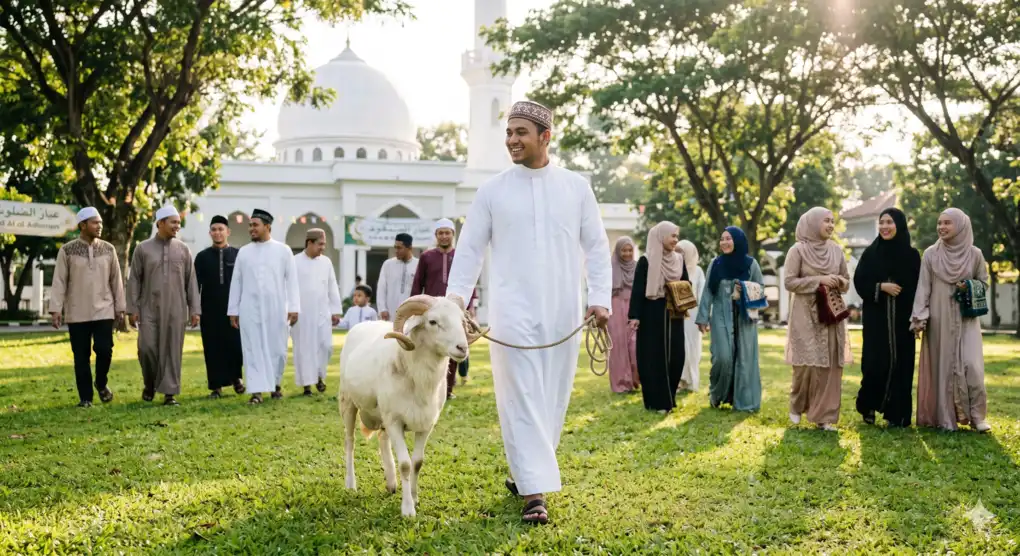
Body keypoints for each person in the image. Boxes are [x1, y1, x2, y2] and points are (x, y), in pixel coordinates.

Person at [446, 99, 612, 525]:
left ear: (545, 137)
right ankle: (535, 494)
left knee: (553, 396)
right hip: (511, 309)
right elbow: (468, 252)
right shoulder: (492, 190)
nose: (512, 140)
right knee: (520, 393)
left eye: (521, 133)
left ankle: (526, 472)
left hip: (562, 309)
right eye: (508, 133)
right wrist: (455, 303)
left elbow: (595, 247)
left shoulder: (576, 186)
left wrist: (600, 298)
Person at [910, 208, 990, 432]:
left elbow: (983, 283)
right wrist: (919, 317)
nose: (941, 227)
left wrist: (969, 286)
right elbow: (923, 288)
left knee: (972, 366)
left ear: (961, 226)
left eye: (947, 223)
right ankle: (945, 417)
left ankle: (977, 416)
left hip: (966, 319)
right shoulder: (930, 254)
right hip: (939, 319)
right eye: (939, 223)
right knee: (943, 367)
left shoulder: (975, 254)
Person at [48, 207, 126, 408]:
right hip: (77, 311)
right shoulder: (67, 250)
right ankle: (86, 398)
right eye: (94, 223)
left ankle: (101, 383)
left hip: (104, 309)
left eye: (100, 222)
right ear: (83, 225)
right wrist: (56, 309)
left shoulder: (108, 249)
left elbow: (116, 280)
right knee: (81, 356)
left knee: (105, 350)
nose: (99, 226)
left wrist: (120, 307)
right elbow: (59, 281)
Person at [126, 205, 201, 406]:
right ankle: (150, 384)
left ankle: (169, 393)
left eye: (178, 222)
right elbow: (134, 280)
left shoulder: (184, 250)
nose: (178, 226)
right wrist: (132, 308)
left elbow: (191, 281)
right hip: (148, 307)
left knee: (172, 350)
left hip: (176, 309)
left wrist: (195, 309)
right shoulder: (142, 248)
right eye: (173, 222)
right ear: (160, 223)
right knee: (146, 348)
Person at [784, 207, 850, 431]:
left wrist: (838, 282)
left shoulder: (837, 251)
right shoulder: (798, 251)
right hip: (805, 314)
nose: (831, 225)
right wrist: (819, 279)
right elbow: (789, 282)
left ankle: (825, 416)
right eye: (826, 221)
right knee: (807, 364)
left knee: (829, 366)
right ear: (812, 223)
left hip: (830, 315)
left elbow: (846, 281)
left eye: (833, 221)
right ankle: (797, 404)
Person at [853, 208, 921, 427]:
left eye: (889, 222)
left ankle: (897, 414)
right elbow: (860, 282)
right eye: (881, 222)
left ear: (899, 225)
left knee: (902, 365)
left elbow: (919, 287)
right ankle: (869, 407)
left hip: (903, 321)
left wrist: (918, 317)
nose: (884, 227)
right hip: (876, 321)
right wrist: (881, 287)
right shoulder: (870, 254)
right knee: (874, 363)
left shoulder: (911, 256)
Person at [227, 209, 300, 404]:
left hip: (277, 308)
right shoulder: (244, 252)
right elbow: (237, 282)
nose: (251, 229)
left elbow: (292, 281)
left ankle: (275, 384)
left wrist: (294, 307)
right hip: (250, 308)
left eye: (255, 225)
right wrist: (233, 310)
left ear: (267, 226)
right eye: (250, 225)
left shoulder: (283, 250)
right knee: (253, 348)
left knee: (278, 349)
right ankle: (257, 391)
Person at [695, 226, 764, 412]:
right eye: (722, 239)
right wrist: (702, 318)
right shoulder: (715, 264)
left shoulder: (751, 265)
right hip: (720, 316)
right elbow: (708, 291)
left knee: (744, 360)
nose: (724, 242)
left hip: (744, 319)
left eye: (729, 239)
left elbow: (761, 288)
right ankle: (717, 394)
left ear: (738, 241)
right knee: (722, 358)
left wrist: (746, 288)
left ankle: (742, 401)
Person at [410, 218, 477, 400]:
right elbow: (418, 284)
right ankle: (427, 388)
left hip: (455, 310)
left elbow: (468, 282)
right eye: (441, 233)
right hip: (433, 313)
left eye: (448, 233)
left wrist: (470, 307)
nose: (444, 236)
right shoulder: (426, 257)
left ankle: (447, 390)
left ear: (453, 235)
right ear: (436, 236)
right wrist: (414, 309)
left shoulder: (460, 257)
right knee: (430, 350)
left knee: (455, 346)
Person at [628, 221, 689, 413]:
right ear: (661, 236)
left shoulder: (679, 260)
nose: (675, 240)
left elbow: (686, 283)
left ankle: (669, 396)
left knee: (676, 355)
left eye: (676, 236)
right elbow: (637, 291)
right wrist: (634, 316)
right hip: (652, 313)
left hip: (674, 312)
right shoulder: (647, 260)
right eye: (672, 235)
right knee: (653, 357)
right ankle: (658, 400)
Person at [194, 215, 245, 399]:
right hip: (210, 310)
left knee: (235, 346)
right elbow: (195, 286)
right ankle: (215, 386)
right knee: (212, 347)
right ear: (210, 233)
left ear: (228, 232)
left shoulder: (238, 255)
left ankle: (236, 379)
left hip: (234, 310)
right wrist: (195, 310)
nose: (217, 232)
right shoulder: (202, 257)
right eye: (214, 229)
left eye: (221, 229)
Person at [291, 229, 343, 396]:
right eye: (320, 244)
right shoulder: (294, 261)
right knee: (304, 348)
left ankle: (320, 375)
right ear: (309, 243)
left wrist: (335, 310)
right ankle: (307, 385)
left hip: (322, 312)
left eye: (324, 244)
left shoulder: (326, 262)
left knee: (325, 346)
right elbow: (289, 288)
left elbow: (332, 286)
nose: (323, 248)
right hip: (301, 313)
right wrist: (291, 309)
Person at [607, 236, 640, 393]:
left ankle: (635, 379)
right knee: (618, 347)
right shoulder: (610, 267)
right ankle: (621, 384)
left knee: (635, 345)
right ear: (618, 251)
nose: (627, 253)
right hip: (615, 309)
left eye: (630, 250)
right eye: (624, 250)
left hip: (633, 310)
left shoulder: (638, 267)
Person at [676, 240, 705, 392]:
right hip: (676, 313)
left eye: (683, 252)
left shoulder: (698, 271)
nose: (680, 254)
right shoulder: (672, 268)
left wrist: (703, 316)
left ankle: (691, 380)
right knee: (679, 346)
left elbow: (702, 293)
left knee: (693, 348)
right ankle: (680, 380)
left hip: (693, 314)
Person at [376, 233, 419, 322]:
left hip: (412, 313)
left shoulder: (419, 264)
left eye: (399, 248)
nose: (396, 250)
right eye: (395, 247)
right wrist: (382, 309)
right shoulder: (388, 264)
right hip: (390, 313)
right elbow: (381, 288)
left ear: (410, 248)